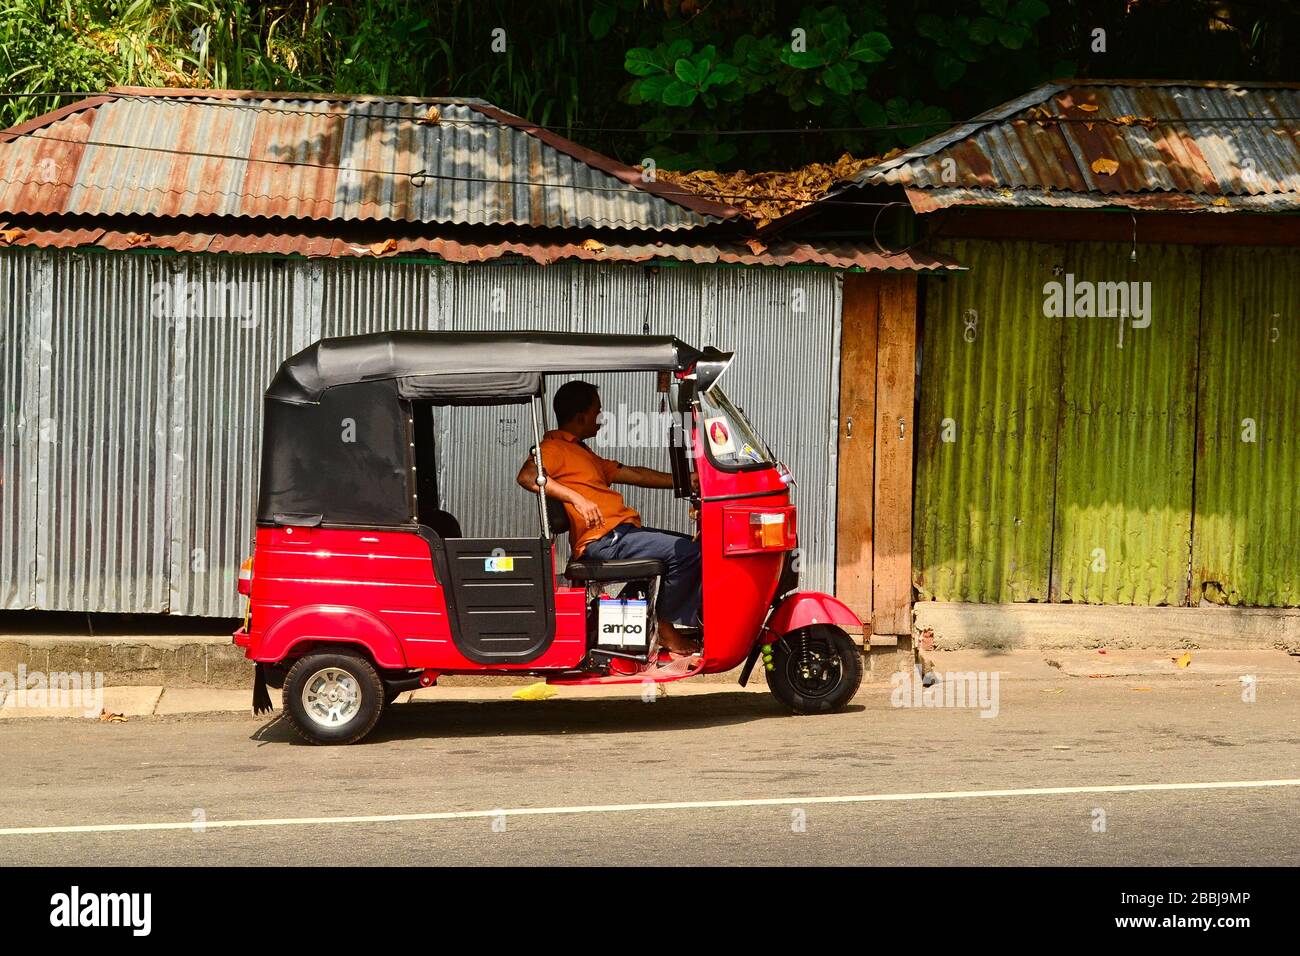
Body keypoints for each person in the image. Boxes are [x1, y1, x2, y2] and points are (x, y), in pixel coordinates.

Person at [516, 380, 701, 656]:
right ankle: (663, 626)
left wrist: (688, 480)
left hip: (619, 535)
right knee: (688, 553)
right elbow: (527, 476)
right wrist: (576, 498)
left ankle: (643, 618)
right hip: (603, 541)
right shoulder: (554, 448)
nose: (601, 418)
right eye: (597, 411)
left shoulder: (582, 452)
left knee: (694, 546)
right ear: (581, 416)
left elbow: (636, 474)